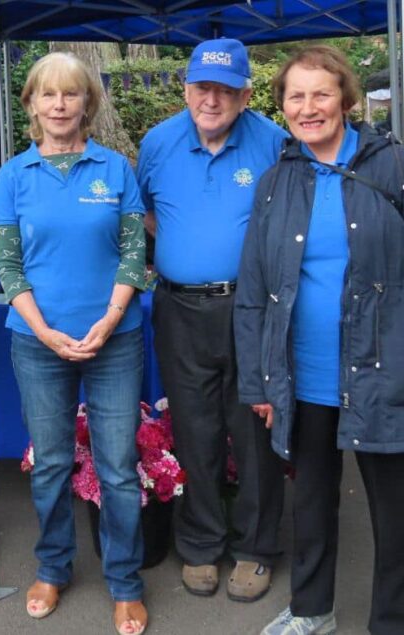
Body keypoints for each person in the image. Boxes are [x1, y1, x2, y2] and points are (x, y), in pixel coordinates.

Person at [234, 44, 404, 635]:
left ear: (345, 98)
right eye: (296, 96)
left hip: (387, 366)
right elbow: (254, 291)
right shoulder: (274, 183)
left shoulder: (397, 166)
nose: (308, 107)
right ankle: (313, 609)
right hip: (304, 373)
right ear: (282, 105)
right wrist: (259, 378)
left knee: (397, 513)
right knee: (312, 502)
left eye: (320, 93)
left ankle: (395, 623)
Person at [0, 52, 150, 635]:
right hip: (38, 342)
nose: (60, 105)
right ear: (31, 104)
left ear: (88, 102)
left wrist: (108, 321)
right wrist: (45, 331)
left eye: (71, 94)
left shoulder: (115, 169)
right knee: (52, 463)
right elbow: (9, 268)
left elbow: (134, 253)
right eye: (48, 95)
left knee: (118, 467)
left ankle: (126, 583)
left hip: (115, 339)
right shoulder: (13, 176)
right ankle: (53, 568)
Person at [134, 38, 288, 603]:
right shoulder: (157, 142)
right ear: (186, 89)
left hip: (251, 308)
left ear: (246, 95)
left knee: (254, 430)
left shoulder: (273, 142)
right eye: (203, 87)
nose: (212, 99)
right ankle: (200, 544)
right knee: (193, 429)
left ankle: (256, 547)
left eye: (226, 89)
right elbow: (145, 213)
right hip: (178, 309)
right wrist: (187, 247)